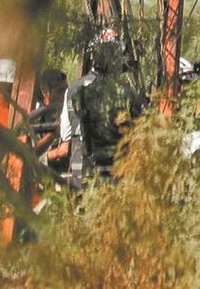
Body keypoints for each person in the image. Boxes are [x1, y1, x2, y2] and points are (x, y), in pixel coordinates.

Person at [58, 28, 141, 186]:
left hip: (83, 174)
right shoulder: (125, 92)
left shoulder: (74, 90)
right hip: (117, 175)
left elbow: (66, 135)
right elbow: (139, 132)